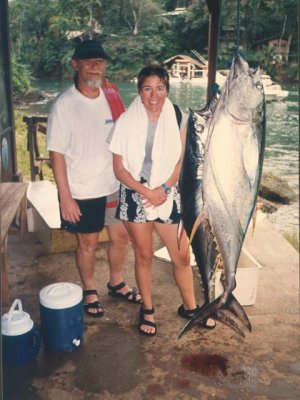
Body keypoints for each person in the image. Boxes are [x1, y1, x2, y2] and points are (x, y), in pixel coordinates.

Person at [109, 65, 215, 336]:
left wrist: (165, 188)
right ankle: (147, 308)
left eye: (159, 88)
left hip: (169, 192)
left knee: (181, 255)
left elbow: (183, 160)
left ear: (167, 89)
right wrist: (148, 193)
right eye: (147, 88)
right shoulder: (125, 121)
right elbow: (119, 169)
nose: (154, 95)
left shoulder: (179, 116)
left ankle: (190, 307)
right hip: (135, 194)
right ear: (139, 91)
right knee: (143, 255)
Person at [46, 39, 142, 318]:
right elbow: (57, 155)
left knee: (122, 237)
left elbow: (124, 135)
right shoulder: (64, 105)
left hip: (113, 183)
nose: (94, 67)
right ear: (75, 65)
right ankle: (89, 288)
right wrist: (66, 197)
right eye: (88, 62)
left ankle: (116, 281)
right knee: (87, 243)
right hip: (82, 189)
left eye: (99, 62)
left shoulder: (111, 94)